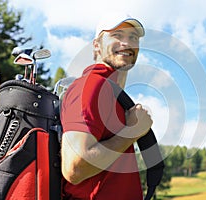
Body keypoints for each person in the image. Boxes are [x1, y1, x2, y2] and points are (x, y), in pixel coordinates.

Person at [60, 13, 152, 200]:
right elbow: (74, 169)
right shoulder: (92, 86)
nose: (127, 43)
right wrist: (132, 132)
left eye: (133, 37)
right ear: (97, 45)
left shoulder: (113, 95)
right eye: (117, 35)